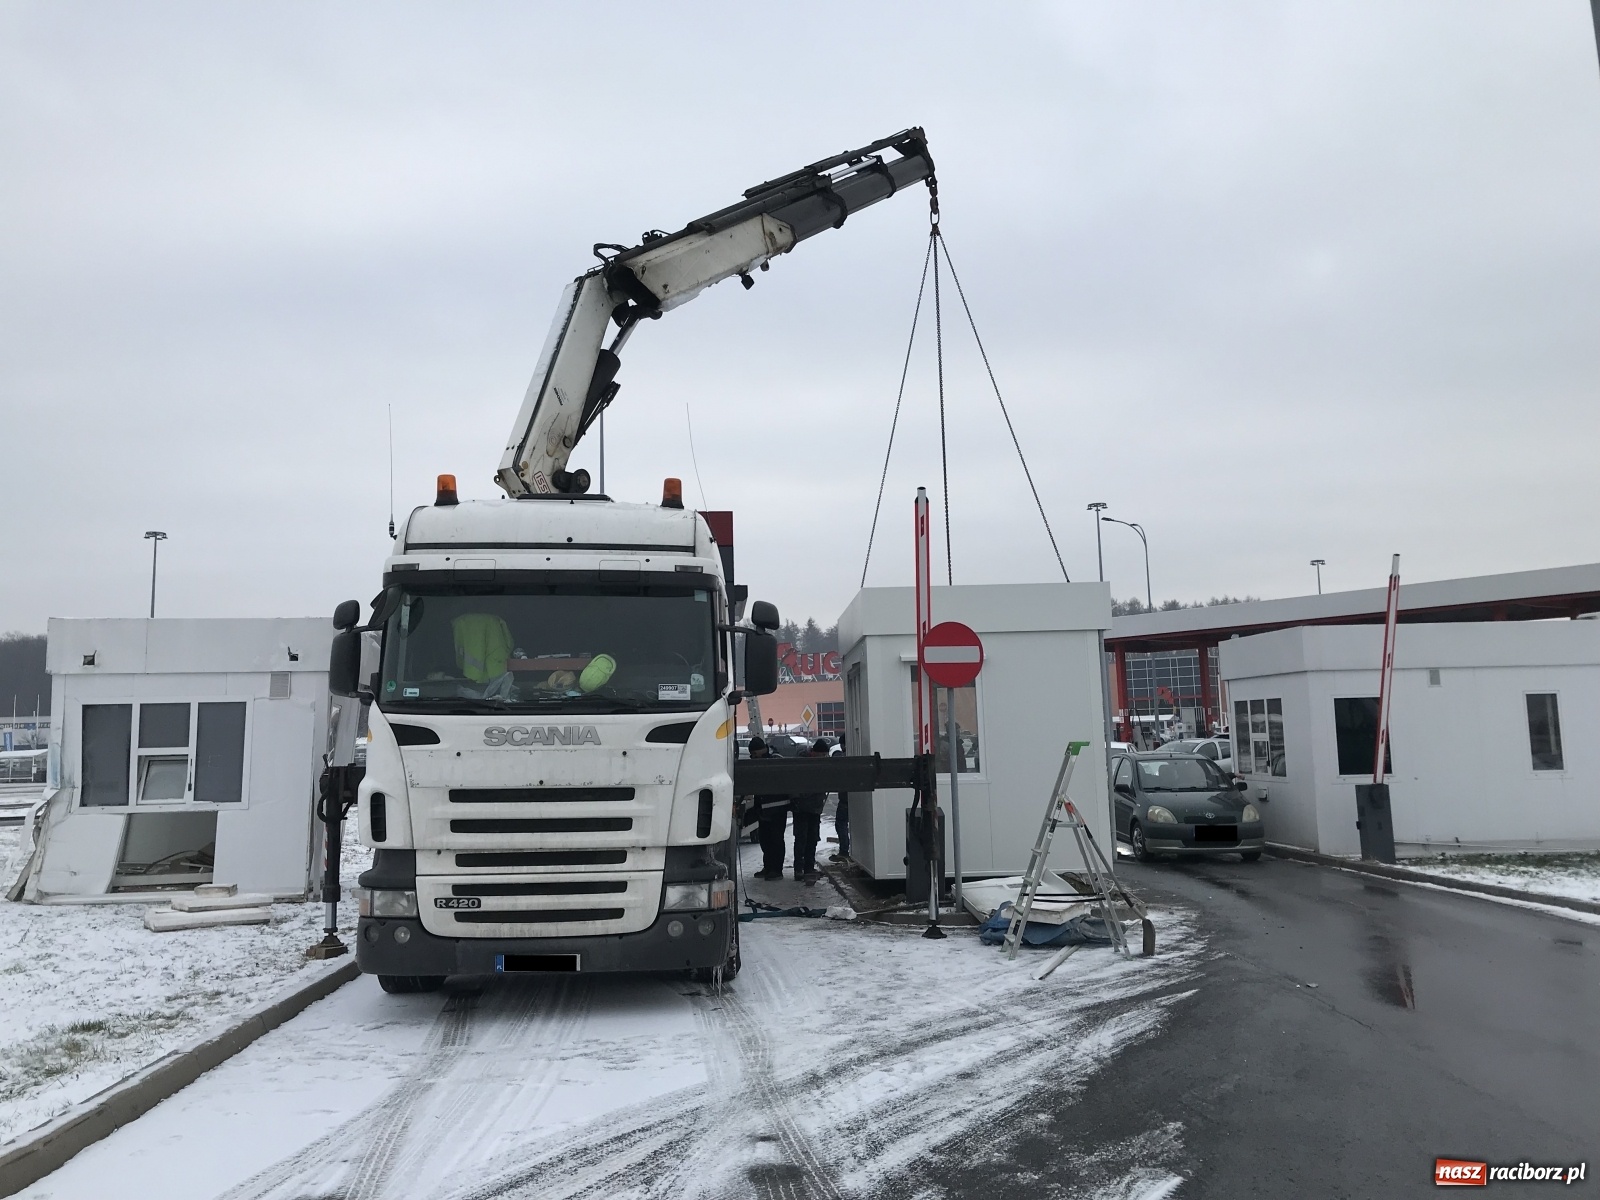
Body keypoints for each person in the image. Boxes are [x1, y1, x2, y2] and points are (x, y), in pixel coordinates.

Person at [748, 737, 791, 881]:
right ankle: (768, 867)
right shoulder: (756, 762)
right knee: (765, 839)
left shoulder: (775, 759)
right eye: (752, 754)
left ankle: (776, 870)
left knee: (776, 839)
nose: (754, 756)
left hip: (778, 806)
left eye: (756, 753)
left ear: (763, 749)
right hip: (763, 808)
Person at [790, 739, 830, 882]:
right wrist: (797, 799)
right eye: (822, 755)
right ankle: (800, 868)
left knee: (812, 838)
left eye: (826, 755)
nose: (824, 758)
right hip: (802, 807)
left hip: (813, 807)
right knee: (802, 838)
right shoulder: (801, 763)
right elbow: (794, 784)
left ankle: (808, 867)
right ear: (814, 752)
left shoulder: (820, 764)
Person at [829, 735, 851, 863]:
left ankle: (844, 851)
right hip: (853, 797)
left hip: (845, 798)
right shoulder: (856, 754)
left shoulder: (842, 757)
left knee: (841, 824)